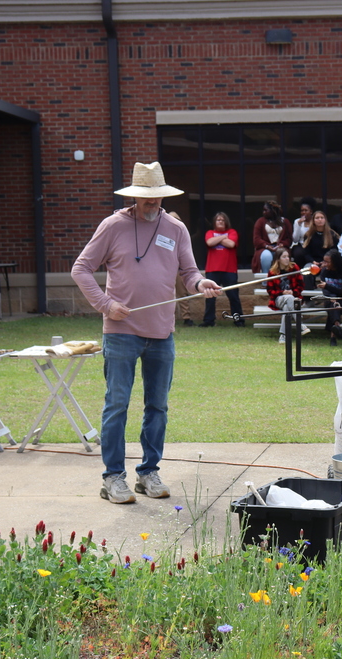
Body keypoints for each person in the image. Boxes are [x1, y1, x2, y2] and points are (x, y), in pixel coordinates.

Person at [71, 162, 222, 504]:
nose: (152, 203)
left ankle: (148, 473)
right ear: (135, 197)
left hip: (161, 333)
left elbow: (189, 271)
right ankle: (113, 478)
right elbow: (81, 268)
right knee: (117, 405)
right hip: (121, 331)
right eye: (146, 197)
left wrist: (200, 284)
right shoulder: (113, 226)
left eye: (157, 197)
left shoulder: (176, 228)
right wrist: (106, 304)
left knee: (157, 406)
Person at [201, 212, 244, 327]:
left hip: (229, 269)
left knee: (233, 296)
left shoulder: (232, 232)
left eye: (222, 220)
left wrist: (217, 239)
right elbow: (209, 242)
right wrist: (224, 237)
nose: (220, 221)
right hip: (212, 269)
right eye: (218, 220)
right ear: (214, 222)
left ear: (226, 222)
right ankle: (208, 321)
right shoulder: (209, 233)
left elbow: (231, 244)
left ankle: (238, 320)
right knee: (210, 297)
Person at [266, 248, 311, 344]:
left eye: (288, 256)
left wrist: (293, 292)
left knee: (287, 307)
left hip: (294, 298)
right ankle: (300, 324)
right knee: (289, 299)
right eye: (284, 257)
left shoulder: (294, 268)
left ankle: (283, 335)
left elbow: (301, 285)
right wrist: (282, 292)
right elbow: (270, 291)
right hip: (279, 299)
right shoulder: (272, 272)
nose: (287, 259)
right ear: (278, 259)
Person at [166, 211, 199, 326]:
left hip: (179, 269)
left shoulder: (181, 235)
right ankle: (168, 318)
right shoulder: (161, 234)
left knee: (182, 294)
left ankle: (186, 318)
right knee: (165, 295)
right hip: (165, 270)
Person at [251, 200, 292, 274]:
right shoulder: (260, 222)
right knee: (266, 256)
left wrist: (282, 244)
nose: (263, 212)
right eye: (263, 210)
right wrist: (266, 246)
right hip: (265, 248)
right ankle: (266, 278)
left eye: (265, 210)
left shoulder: (285, 222)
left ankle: (282, 277)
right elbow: (256, 239)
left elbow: (289, 239)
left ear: (273, 211)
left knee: (282, 255)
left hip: (280, 248)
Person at [318, 248, 342, 346]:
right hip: (329, 299)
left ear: (335, 262)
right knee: (334, 306)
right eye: (324, 261)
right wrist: (331, 296)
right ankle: (336, 328)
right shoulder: (324, 272)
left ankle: (334, 335)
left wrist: (328, 286)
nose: (325, 264)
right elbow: (325, 291)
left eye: (328, 262)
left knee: (335, 306)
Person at [300, 209, 339, 283]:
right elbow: (306, 253)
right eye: (317, 218)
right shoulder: (308, 235)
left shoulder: (332, 234)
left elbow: (335, 251)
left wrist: (326, 262)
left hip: (328, 263)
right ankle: (309, 289)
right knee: (307, 271)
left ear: (325, 220)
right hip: (313, 262)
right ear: (313, 221)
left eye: (322, 218)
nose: (320, 220)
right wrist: (312, 261)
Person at [291, 197, 316, 261]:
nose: (303, 212)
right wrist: (299, 225)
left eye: (306, 210)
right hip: (301, 245)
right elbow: (295, 239)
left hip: (313, 245)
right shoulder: (297, 221)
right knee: (298, 253)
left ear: (311, 212)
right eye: (302, 210)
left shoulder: (315, 221)